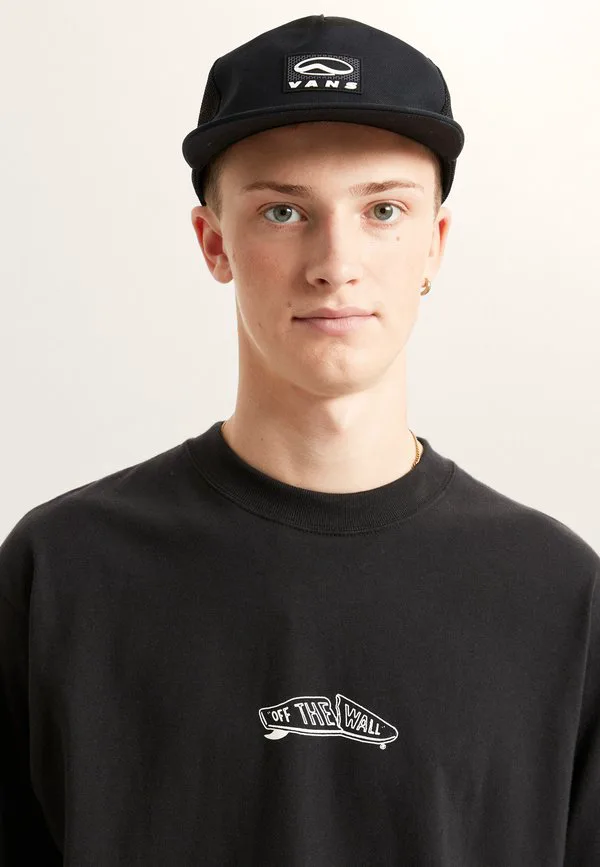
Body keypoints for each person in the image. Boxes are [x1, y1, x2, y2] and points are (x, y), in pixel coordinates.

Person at [1, 14, 598, 866]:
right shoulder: (62, 574)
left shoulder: (561, 599)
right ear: (214, 242)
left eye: (383, 209)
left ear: (434, 244)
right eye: (283, 211)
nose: (335, 262)